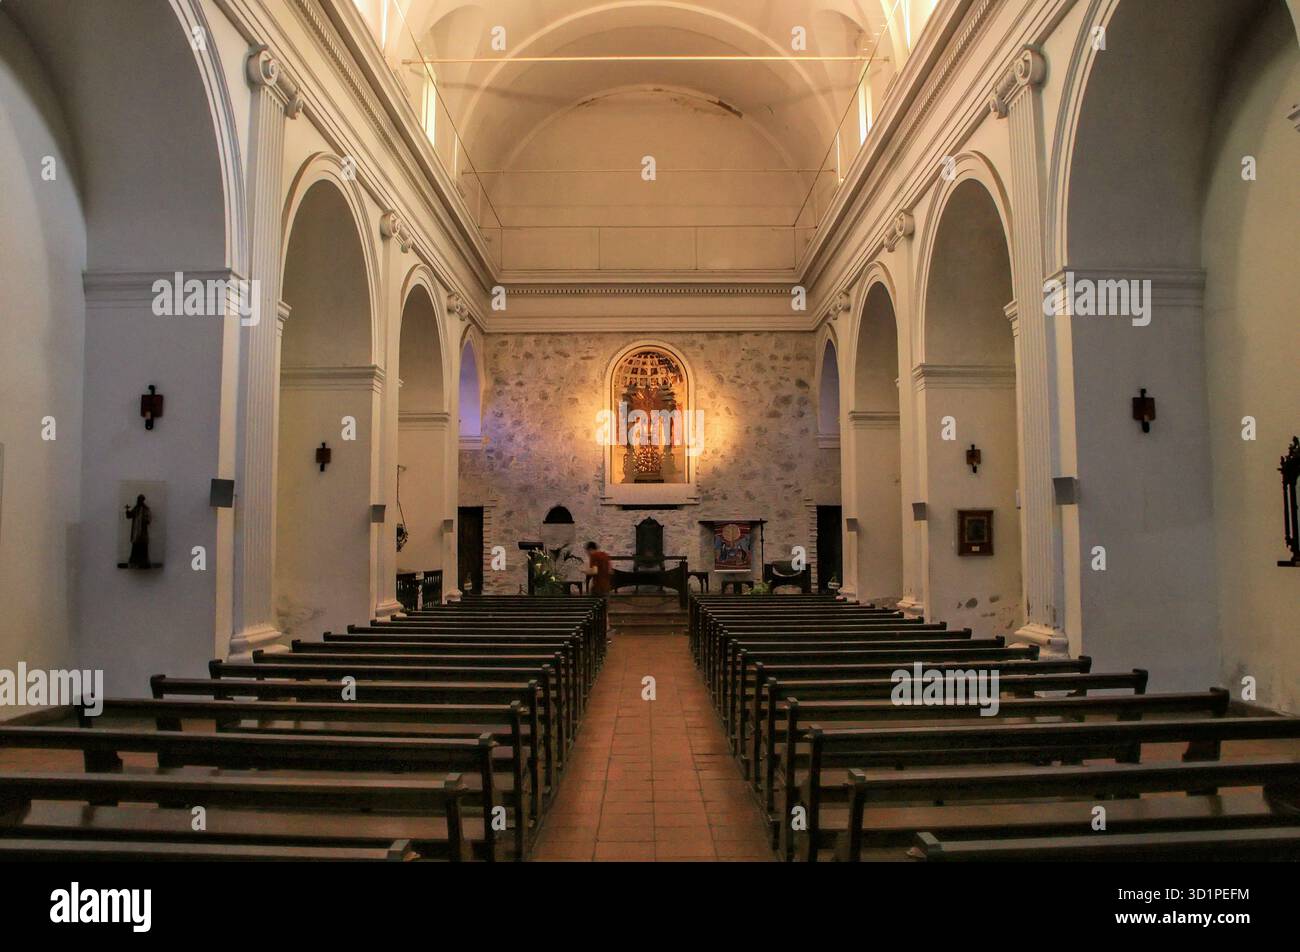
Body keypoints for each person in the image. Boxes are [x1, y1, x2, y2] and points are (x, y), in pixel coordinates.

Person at [124, 494, 152, 568]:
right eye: (138, 499)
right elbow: (130, 516)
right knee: (135, 546)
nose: (138, 501)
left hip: (142, 532)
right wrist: (127, 511)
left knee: (143, 546)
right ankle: (134, 562)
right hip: (136, 532)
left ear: (142, 500)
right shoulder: (136, 508)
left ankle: (144, 562)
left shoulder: (146, 509)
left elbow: (148, 519)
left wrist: (145, 520)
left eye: (139, 499)